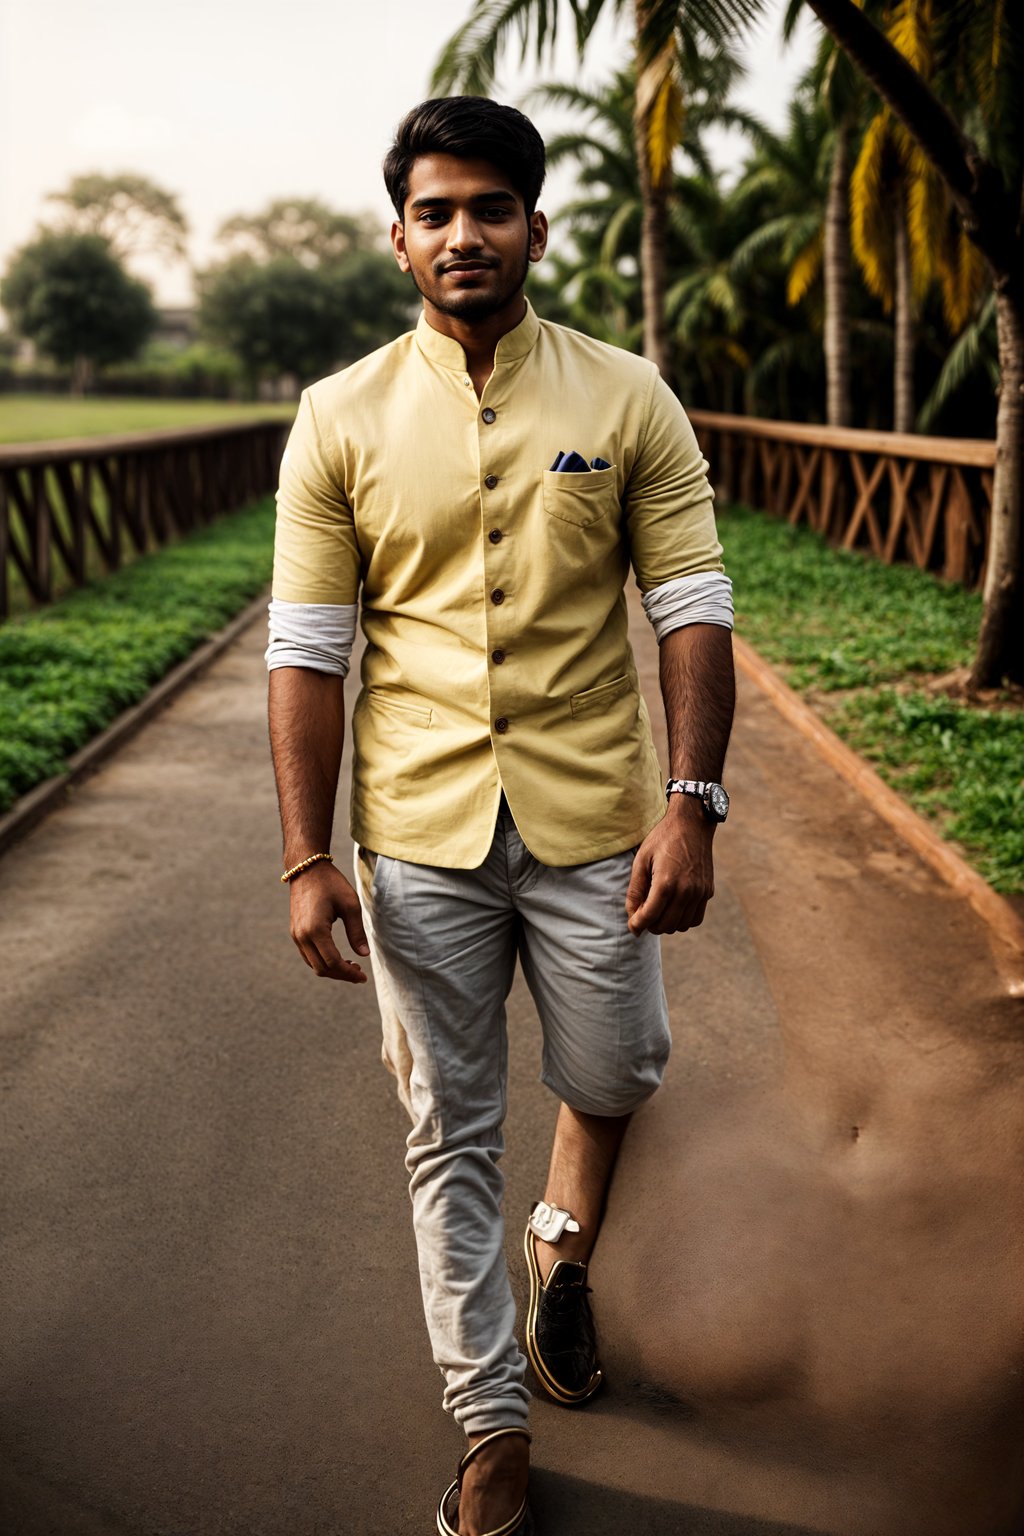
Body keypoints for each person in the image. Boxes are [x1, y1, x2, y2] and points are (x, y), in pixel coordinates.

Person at [266, 96, 735, 1536]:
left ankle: (561, 1243)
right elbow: (307, 649)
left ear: (538, 224)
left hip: (599, 821)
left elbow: (695, 608)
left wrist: (693, 803)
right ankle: (491, 1424)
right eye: (435, 211)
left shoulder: (624, 396)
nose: (462, 233)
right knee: (447, 1130)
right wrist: (305, 855)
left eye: (489, 208)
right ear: (399, 234)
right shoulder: (336, 418)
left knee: (619, 1068)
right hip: (416, 842)